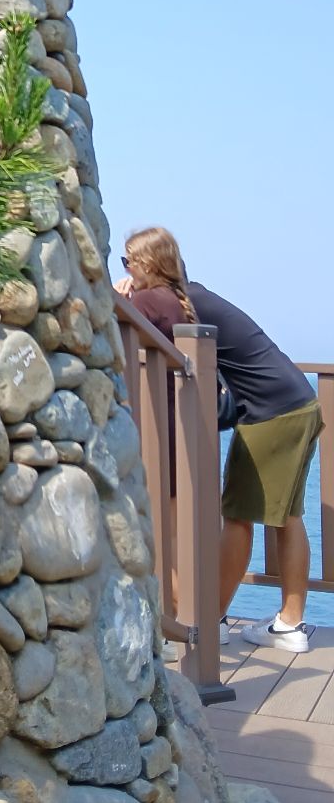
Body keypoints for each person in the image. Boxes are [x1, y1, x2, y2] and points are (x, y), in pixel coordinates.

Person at [116, 225, 321, 653]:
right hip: (298, 400)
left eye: (128, 262)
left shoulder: (166, 299)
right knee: (287, 517)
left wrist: (121, 297)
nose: (127, 270)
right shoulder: (194, 296)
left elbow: (126, 324)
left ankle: (211, 621)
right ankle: (290, 623)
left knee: (239, 517)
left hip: (271, 412)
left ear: (147, 264)